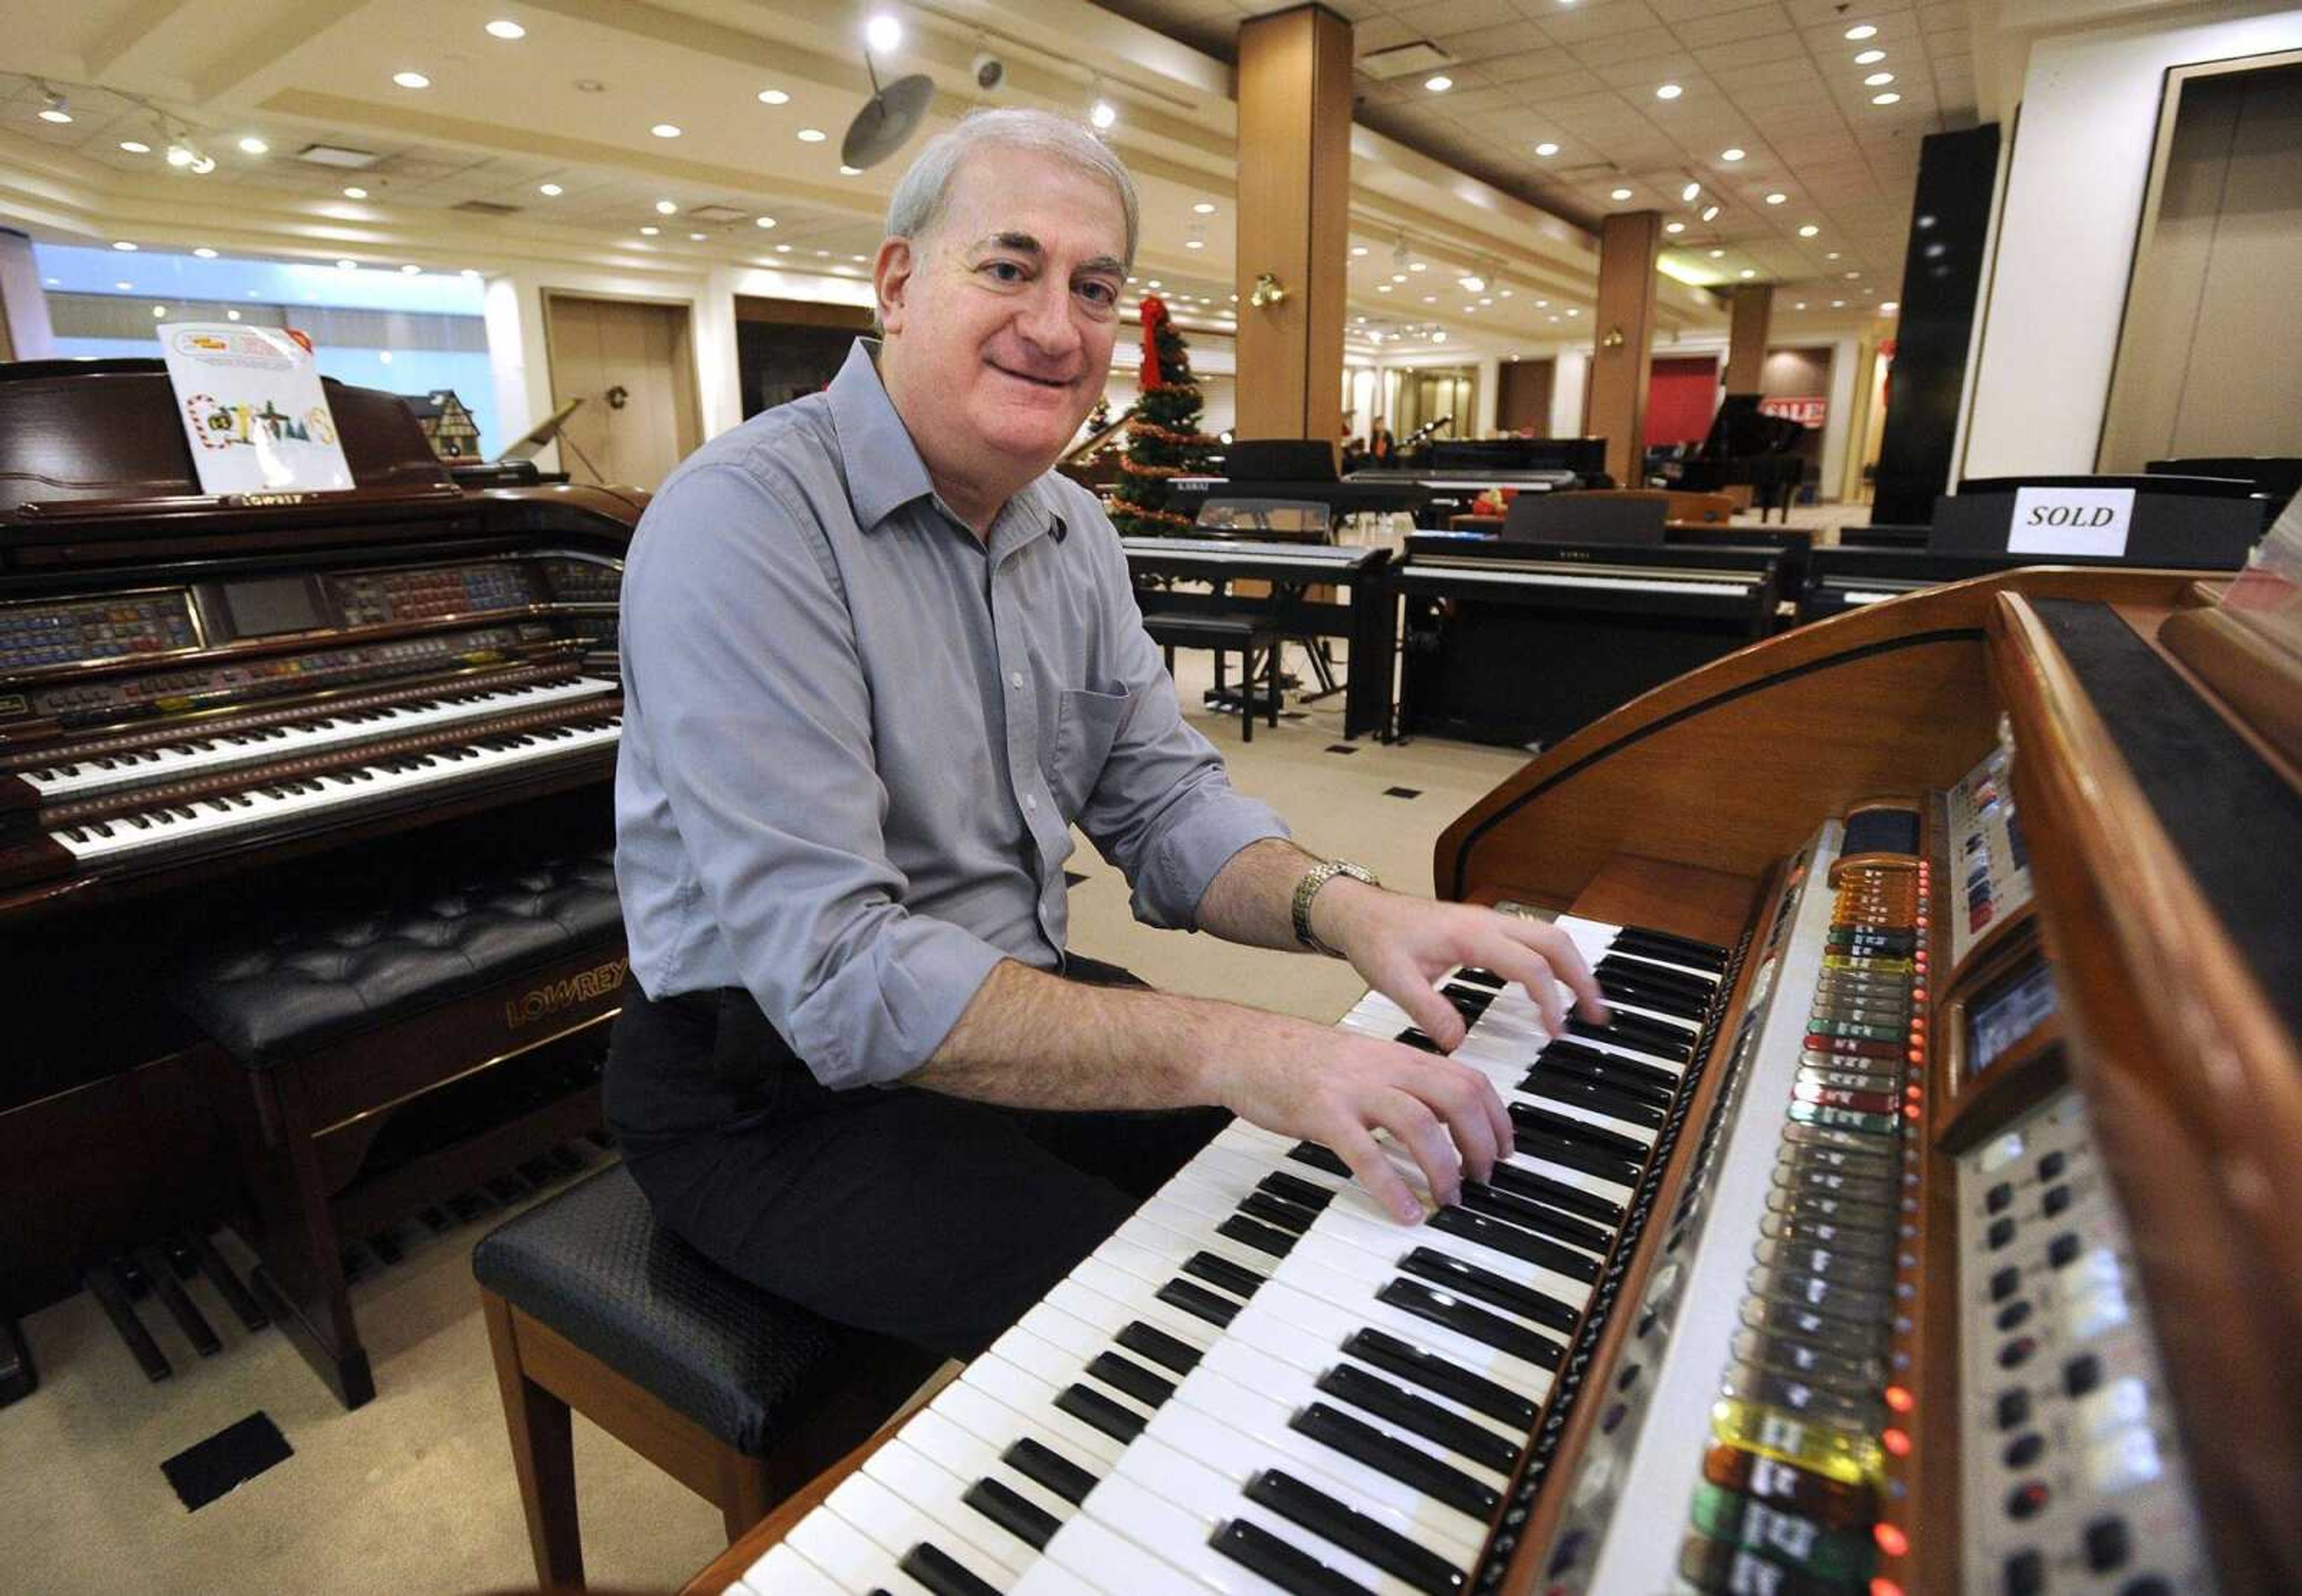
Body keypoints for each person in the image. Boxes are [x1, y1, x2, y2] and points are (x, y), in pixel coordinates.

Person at [605, 109, 1605, 1359]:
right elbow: (839, 981)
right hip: (765, 1090)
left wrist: (1359, 909)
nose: (1056, 327)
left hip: (1013, 1005)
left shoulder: (1069, 527)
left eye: (1094, 287)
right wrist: (1243, 1045)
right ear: (901, 284)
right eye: (1010, 267)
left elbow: (1168, 809)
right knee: (1193, 1344)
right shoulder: (743, 524)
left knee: (1333, 1207)